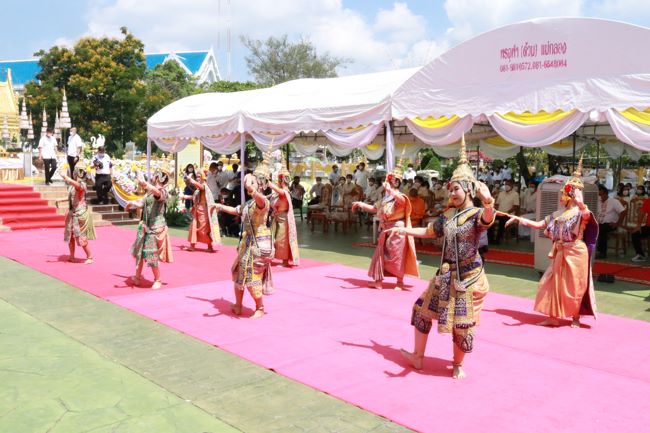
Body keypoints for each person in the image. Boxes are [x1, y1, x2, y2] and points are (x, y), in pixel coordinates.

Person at [397, 137, 496, 379]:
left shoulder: (475, 214)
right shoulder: (449, 215)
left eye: (456, 189)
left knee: (461, 325)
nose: (451, 192)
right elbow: (429, 232)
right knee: (420, 310)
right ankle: (417, 357)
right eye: (450, 188)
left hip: (468, 278)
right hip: (445, 274)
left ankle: (457, 364)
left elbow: (488, 219)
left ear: (469, 190)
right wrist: (405, 230)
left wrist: (489, 201)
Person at [505, 158, 598, 327]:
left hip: (576, 252)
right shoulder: (558, 213)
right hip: (559, 251)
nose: (560, 196)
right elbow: (540, 224)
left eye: (563, 193)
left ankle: (575, 317)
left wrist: (580, 203)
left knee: (574, 286)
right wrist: (518, 219)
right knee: (550, 282)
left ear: (571, 196)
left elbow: (586, 217)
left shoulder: (580, 212)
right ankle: (553, 316)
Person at [216, 164, 274, 319]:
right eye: (248, 183)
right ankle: (238, 305)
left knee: (251, 276)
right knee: (238, 273)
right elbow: (237, 210)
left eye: (253, 182)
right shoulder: (249, 204)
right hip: (247, 244)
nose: (248, 186)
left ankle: (260, 307)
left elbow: (260, 200)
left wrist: (251, 188)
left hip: (258, 246)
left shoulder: (263, 202)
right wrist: (219, 206)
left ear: (260, 185)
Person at [352, 163, 419, 290]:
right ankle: (378, 281)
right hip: (385, 228)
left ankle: (399, 282)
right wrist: (361, 204)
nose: (395, 182)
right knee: (380, 255)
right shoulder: (385, 198)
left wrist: (389, 190)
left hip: (397, 229)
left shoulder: (401, 196)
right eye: (393, 179)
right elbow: (373, 208)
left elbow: (402, 201)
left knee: (397, 256)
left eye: (397, 180)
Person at [126, 169, 174, 290]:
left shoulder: (162, 192)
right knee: (139, 253)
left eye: (155, 176)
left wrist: (144, 183)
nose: (152, 177)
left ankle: (158, 279)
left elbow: (156, 192)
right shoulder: (149, 193)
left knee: (151, 253)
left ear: (159, 178)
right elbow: (142, 204)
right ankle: (137, 277)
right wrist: (131, 203)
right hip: (146, 226)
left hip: (155, 228)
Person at [58, 164, 96, 264]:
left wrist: (64, 176)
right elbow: (72, 198)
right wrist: (60, 200)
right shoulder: (72, 186)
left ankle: (90, 256)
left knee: (80, 236)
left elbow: (77, 186)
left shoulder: (82, 185)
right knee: (70, 235)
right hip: (72, 212)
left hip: (80, 214)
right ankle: (71, 256)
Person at [182, 171, 221, 252]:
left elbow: (200, 187)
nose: (197, 178)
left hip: (204, 211)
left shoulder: (204, 186)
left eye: (199, 177)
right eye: (197, 177)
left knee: (203, 230)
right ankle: (192, 246)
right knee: (193, 227)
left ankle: (210, 246)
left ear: (203, 177)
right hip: (197, 210)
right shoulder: (197, 190)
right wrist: (185, 196)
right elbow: (194, 197)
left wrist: (191, 180)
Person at [268, 170, 300, 267]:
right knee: (273, 239)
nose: (277, 181)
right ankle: (272, 257)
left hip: (284, 219)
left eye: (279, 179)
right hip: (276, 217)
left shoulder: (285, 192)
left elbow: (281, 192)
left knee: (282, 240)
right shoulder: (277, 192)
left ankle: (285, 261)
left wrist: (269, 183)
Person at [596, 184, 625, 259]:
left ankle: (602, 253)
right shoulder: (598, 201)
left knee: (601, 230)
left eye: (600, 194)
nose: (599, 196)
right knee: (589, 228)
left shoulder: (614, 201)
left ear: (605, 194)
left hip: (611, 224)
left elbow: (623, 212)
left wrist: (618, 223)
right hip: (599, 223)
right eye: (598, 194)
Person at [490, 179, 519, 244]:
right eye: (505, 184)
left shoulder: (515, 194)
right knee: (489, 219)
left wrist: (506, 212)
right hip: (499, 213)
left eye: (508, 185)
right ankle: (490, 239)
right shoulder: (501, 193)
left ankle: (498, 240)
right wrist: (495, 211)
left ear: (512, 185)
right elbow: (497, 204)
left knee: (502, 221)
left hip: (509, 214)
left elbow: (515, 207)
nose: (506, 186)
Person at [631, 195, 650, 262]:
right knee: (635, 233)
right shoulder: (648, 201)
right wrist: (638, 226)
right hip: (648, 226)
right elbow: (642, 213)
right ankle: (640, 255)